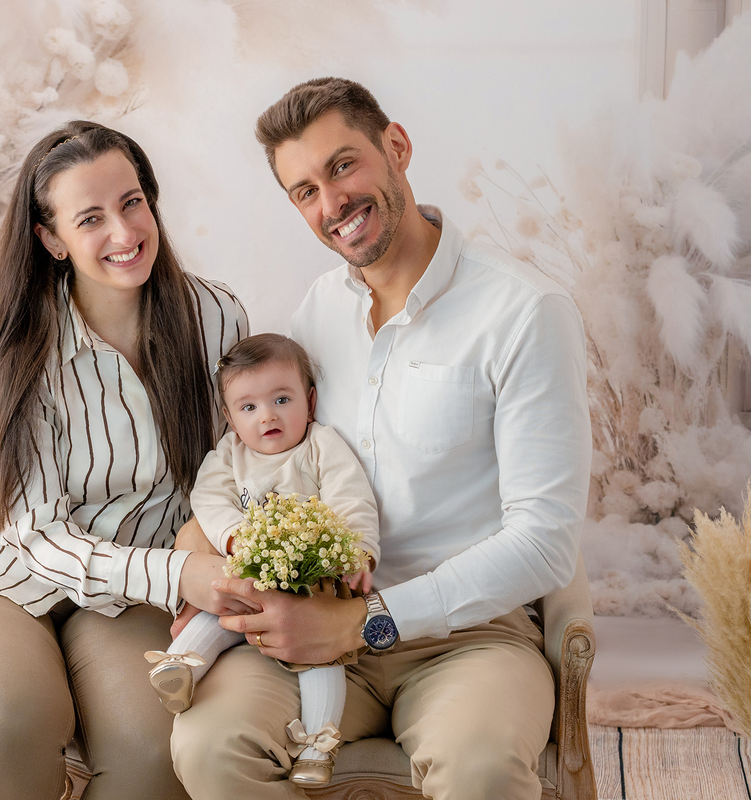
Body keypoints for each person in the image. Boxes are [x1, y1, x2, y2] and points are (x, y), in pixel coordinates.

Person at [171, 78, 592, 800]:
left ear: (396, 146)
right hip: (310, 617)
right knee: (209, 746)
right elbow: (267, 463)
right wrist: (204, 553)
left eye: (343, 166)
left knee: (483, 769)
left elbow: (546, 540)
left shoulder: (524, 312)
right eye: (305, 191)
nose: (332, 203)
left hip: (470, 636)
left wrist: (365, 622)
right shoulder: (317, 312)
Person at [0, 120, 249, 800]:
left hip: (128, 594)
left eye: (132, 202)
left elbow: (233, 463)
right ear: (51, 238)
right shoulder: (22, 351)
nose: (123, 232)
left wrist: (210, 541)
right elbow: (36, 538)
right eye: (90, 218)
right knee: (11, 721)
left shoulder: (215, 316)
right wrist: (181, 572)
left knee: (156, 747)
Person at [145, 333, 379, 788]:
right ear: (230, 418)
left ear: (310, 402)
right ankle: (181, 666)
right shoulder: (229, 455)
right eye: (248, 407)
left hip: (312, 587)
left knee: (319, 656)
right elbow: (209, 500)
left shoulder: (321, 446)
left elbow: (352, 499)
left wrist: (357, 552)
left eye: (282, 400)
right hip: (250, 576)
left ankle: (318, 747)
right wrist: (236, 538)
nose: (267, 415)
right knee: (219, 613)